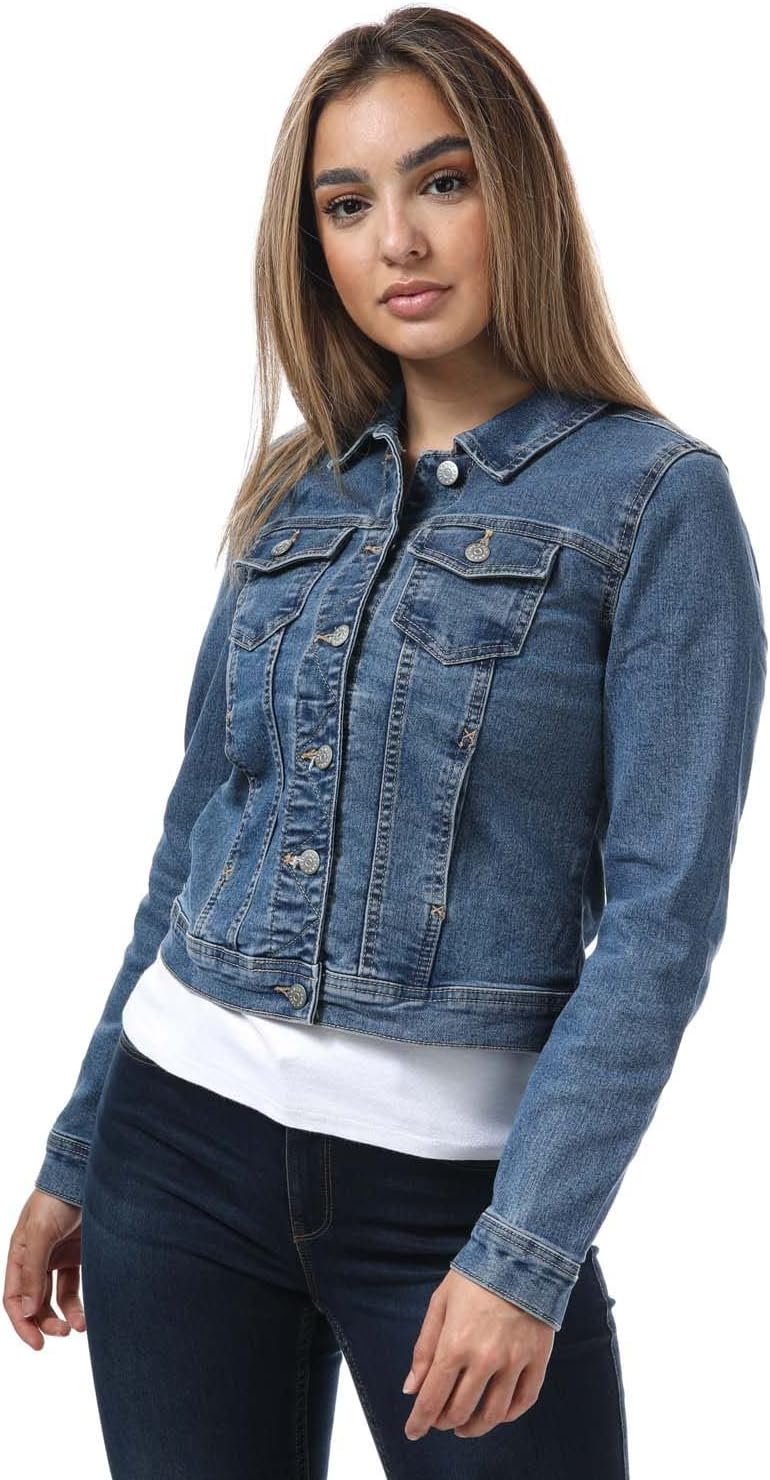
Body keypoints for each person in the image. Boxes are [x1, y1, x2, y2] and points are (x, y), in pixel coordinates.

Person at [5, 7, 766, 1477]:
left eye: (442, 181)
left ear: (519, 195)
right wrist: (80, 1143)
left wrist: (527, 1250)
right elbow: (197, 837)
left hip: (453, 1208)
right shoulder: (300, 489)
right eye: (346, 205)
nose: (397, 242)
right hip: (176, 1148)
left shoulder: (655, 500)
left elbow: (663, 921)